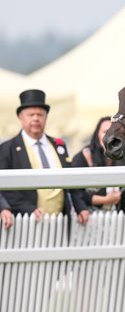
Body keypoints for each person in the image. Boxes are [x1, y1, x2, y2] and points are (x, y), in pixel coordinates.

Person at [0, 89, 89, 224]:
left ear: (46, 118)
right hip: (23, 222)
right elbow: (5, 187)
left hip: (60, 221)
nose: (36, 118)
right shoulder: (7, 148)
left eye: (40, 114)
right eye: (31, 114)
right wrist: (27, 209)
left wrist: (80, 207)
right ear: (21, 117)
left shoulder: (59, 145)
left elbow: (70, 180)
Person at [70, 116, 122, 212]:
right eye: (105, 132)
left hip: (117, 216)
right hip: (88, 216)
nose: (109, 136)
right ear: (97, 135)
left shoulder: (121, 157)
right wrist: (106, 200)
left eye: (113, 132)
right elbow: (76, 193)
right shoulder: (83, 156)